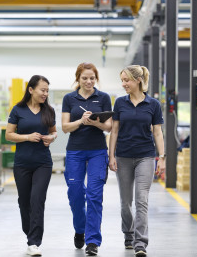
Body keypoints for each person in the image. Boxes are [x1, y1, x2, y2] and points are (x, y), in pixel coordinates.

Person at [108, 65, 166, 257]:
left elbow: (157, 132)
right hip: (123, 156)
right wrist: (111, 156)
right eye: (122, 80)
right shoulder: (120, 103)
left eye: (127, 80)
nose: (124, 84)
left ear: (138, 80)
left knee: (141, 200)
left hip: (145, 156)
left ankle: (140, 243)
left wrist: (162, 157)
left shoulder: (153, 104)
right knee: (126, 202)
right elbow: (114, 130)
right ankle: (128, 233)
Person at [61, 62, 112, 256]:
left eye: (92, 78)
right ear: (78, 79)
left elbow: (108, 127)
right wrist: (81, 121)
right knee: (75, 193)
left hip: (98, 151)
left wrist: (95, 123)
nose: (89, 81)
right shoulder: (69, 98)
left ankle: (92, 241)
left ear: (95, 79)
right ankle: (80, 229)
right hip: (75, 151)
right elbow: (65, 127)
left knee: (94, 195)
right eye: (85, 78)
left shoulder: (104, 98)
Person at [5, 75, 57, 256]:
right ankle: (30, 233)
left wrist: (52, 137)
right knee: (24, 202)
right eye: (42, 90)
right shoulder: (18, 110)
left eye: (47, 90)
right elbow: (9, 135)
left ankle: (34, 242)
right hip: (22, 163)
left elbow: (54, 132)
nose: (45, 93)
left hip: (43, 163)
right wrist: (27, 137)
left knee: (37, 200)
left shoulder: (49, 111)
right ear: (31, 90)